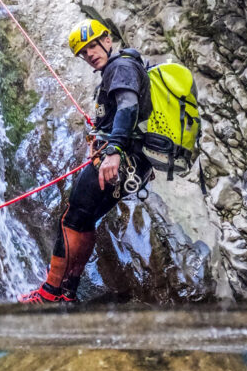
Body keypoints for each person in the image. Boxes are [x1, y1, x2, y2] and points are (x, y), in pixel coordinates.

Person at [19, 19, 152, 304]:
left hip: (121, 159)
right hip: (135, 164)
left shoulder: (120, 67)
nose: (90, 53)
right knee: (86, 219)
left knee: (71, 219)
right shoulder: (121, 69)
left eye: (93, 44)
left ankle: (51, 292)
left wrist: (113, 150)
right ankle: (68, 291)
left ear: (108, 40)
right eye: (84, 51)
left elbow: (128, 106)